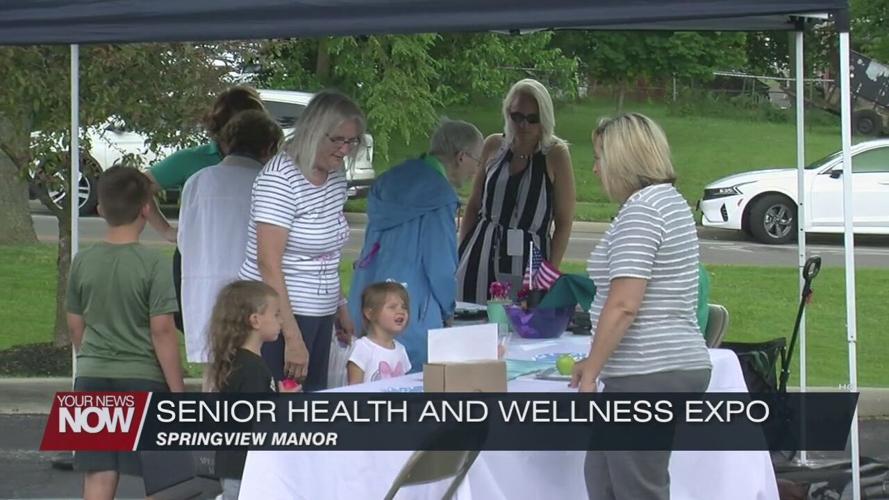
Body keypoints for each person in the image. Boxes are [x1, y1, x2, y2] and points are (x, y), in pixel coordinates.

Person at [570, 113, 712, 500]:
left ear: (622, 160)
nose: (595, 169)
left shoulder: (643, 210)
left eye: (600, 157)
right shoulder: (669, 203)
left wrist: (591, 373)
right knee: (603, 479)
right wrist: (593, 361)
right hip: (662, 365)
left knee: (636, 488)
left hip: (649, 372)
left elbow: (624, 303)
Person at [65, 166, 184, 499]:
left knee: (99, 476)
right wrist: (177, 391)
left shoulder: (82, 262)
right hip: (143, 378)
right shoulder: (154, 264)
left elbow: (76, 324)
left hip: (91, 375)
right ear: (146, 209)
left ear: (101, 210)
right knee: (164, 478)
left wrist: (91, 358)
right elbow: (162, 331)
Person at [239, 90, 363, 391]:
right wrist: (291, 337)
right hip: (278, 317)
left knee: (313, 407)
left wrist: (340, 306)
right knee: (280, 416)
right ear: (314, 132)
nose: (345, 149)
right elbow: (268, 263)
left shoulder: (334, 175)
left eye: (353, 141)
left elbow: (329, 250)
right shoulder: (279, 179)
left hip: (318, 312)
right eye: (338, 140)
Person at [348, 118, 483, 369]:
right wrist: (448, 309)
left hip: (369, 301)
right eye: (477, 161)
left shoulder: (389, 181)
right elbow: (441, 264)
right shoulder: (440, 196)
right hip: (411, 311)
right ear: (462, 157)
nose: (476, 170)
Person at [144, 86, 267, 332]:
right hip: (201, 262)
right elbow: (140, 188)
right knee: (207, 334)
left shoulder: (268, 162)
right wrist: (166, 230)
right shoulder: (192, 159)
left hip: (251, 261)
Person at [177, 110, 283, 389]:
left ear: (226, 144)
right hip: (256, 296)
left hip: (206, 291)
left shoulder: (197, 182)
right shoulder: (271, 183)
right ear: (268, 148)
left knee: (215, 379)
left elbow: (183, 239)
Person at [457, 78, 576, 304]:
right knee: (472, 320)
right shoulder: (494, 145)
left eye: (532, 119)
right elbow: (474, 205)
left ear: (545, 119)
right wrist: (463, 249)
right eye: (517, 117)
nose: (524, 125)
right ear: (507, 113)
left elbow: (564, 221)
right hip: (480, 252)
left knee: (519, 328)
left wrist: (549, 274)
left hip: (530, 262)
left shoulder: (555, 154)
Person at [209, 280, 298, 500]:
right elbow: (256, 421)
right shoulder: (252, 369)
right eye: (276, 314)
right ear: (255, 320)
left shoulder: (240, 361)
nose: (281, 320)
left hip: (236, 464)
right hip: (244, 468)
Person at [347, 282, 413, 384]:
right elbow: (353, 389)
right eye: (392, 307)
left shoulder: (401, 350)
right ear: (369, 313)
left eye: (404, 307)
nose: (401, 311)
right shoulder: (362, 347)